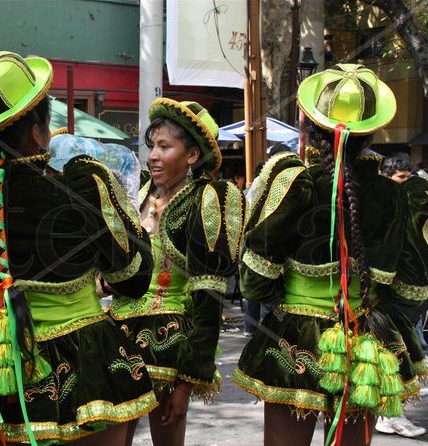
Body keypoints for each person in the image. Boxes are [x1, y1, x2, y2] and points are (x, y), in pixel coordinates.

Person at [0, 51, 157, 445]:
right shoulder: (83, 188)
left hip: (4, 363)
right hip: (89, 363)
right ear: (36, 131)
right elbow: (133, 279)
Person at [233, 64, 417, 446]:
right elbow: (413, 290)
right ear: (371, 132)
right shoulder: (400, 196)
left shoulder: (297, 183)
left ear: (311, 127)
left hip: (295, 339)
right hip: (364, 342)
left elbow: (254, 281)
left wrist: (288, 297)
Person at [109, 98, 245, 446]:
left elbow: (208, 295)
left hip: (168, 345)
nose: (153, 155)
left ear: (192, 156)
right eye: (152, 145)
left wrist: (187, 382)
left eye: (165, 146)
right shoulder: (140, 193)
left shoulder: (206, 200)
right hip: (117, 336)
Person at [374, 153, 428, 438]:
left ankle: (390, 412)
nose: (408, 184)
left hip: (403, 295)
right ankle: (389, 414)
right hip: (380, 294)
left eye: (410, 177)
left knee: (401, 352)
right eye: (402, 179)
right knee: (392, 354)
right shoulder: (381, 205)